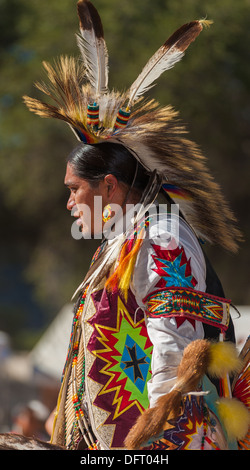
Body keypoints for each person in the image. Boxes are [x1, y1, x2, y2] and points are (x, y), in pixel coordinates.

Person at [23, 0, 249, 450]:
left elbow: (175, 343)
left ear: (108, 185)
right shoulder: (126, 240)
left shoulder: (163, 235)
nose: (69, 203)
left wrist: (160, 435)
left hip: (168, 437)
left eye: (74, 189)